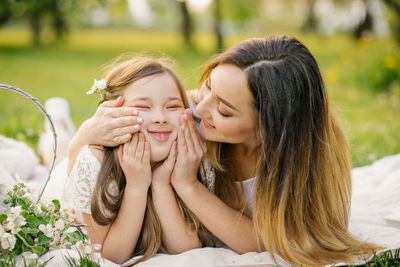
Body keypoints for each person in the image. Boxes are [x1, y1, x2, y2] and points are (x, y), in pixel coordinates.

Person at [67, 36, 381, 266]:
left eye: (225, 110)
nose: (199, 108)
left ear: (267, 129)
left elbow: (274, 244)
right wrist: (82, 137)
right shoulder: (182, 114)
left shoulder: (306, 165)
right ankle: (59, 128)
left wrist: (186, 185)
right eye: (208, 87)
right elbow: (85, 177)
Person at [65, 56, 209, 265]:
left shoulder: (189, 157)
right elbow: (109, 257)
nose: (160, 117)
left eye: (172, 106)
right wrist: (136, 186)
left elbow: (187, 249)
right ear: (114, 112)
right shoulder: (95, 161)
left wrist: (161, 184)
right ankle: (59, 122)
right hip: (70, 175)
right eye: (143, 107)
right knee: (56, 153)